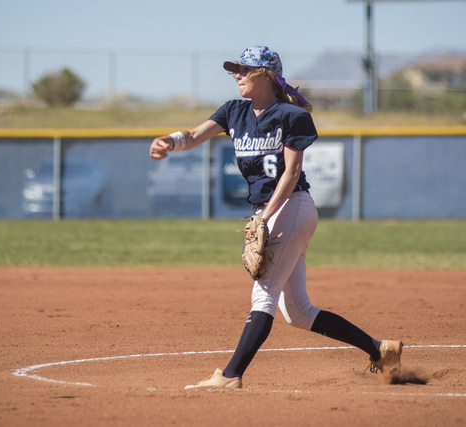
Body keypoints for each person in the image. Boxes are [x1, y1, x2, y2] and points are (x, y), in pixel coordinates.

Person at [149, 46, 403, 389]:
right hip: (274, 213)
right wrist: (169, 141)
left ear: (266, 75)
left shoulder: (291, 116)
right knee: (299, 313)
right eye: (235, 70)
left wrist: (265, 218)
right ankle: (379, 349)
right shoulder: (233, 112)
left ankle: (229, 376)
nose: (237, 75)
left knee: (263, 295)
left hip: (291, 207)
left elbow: (292, 172)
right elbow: (194, 136)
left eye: (244, 69)